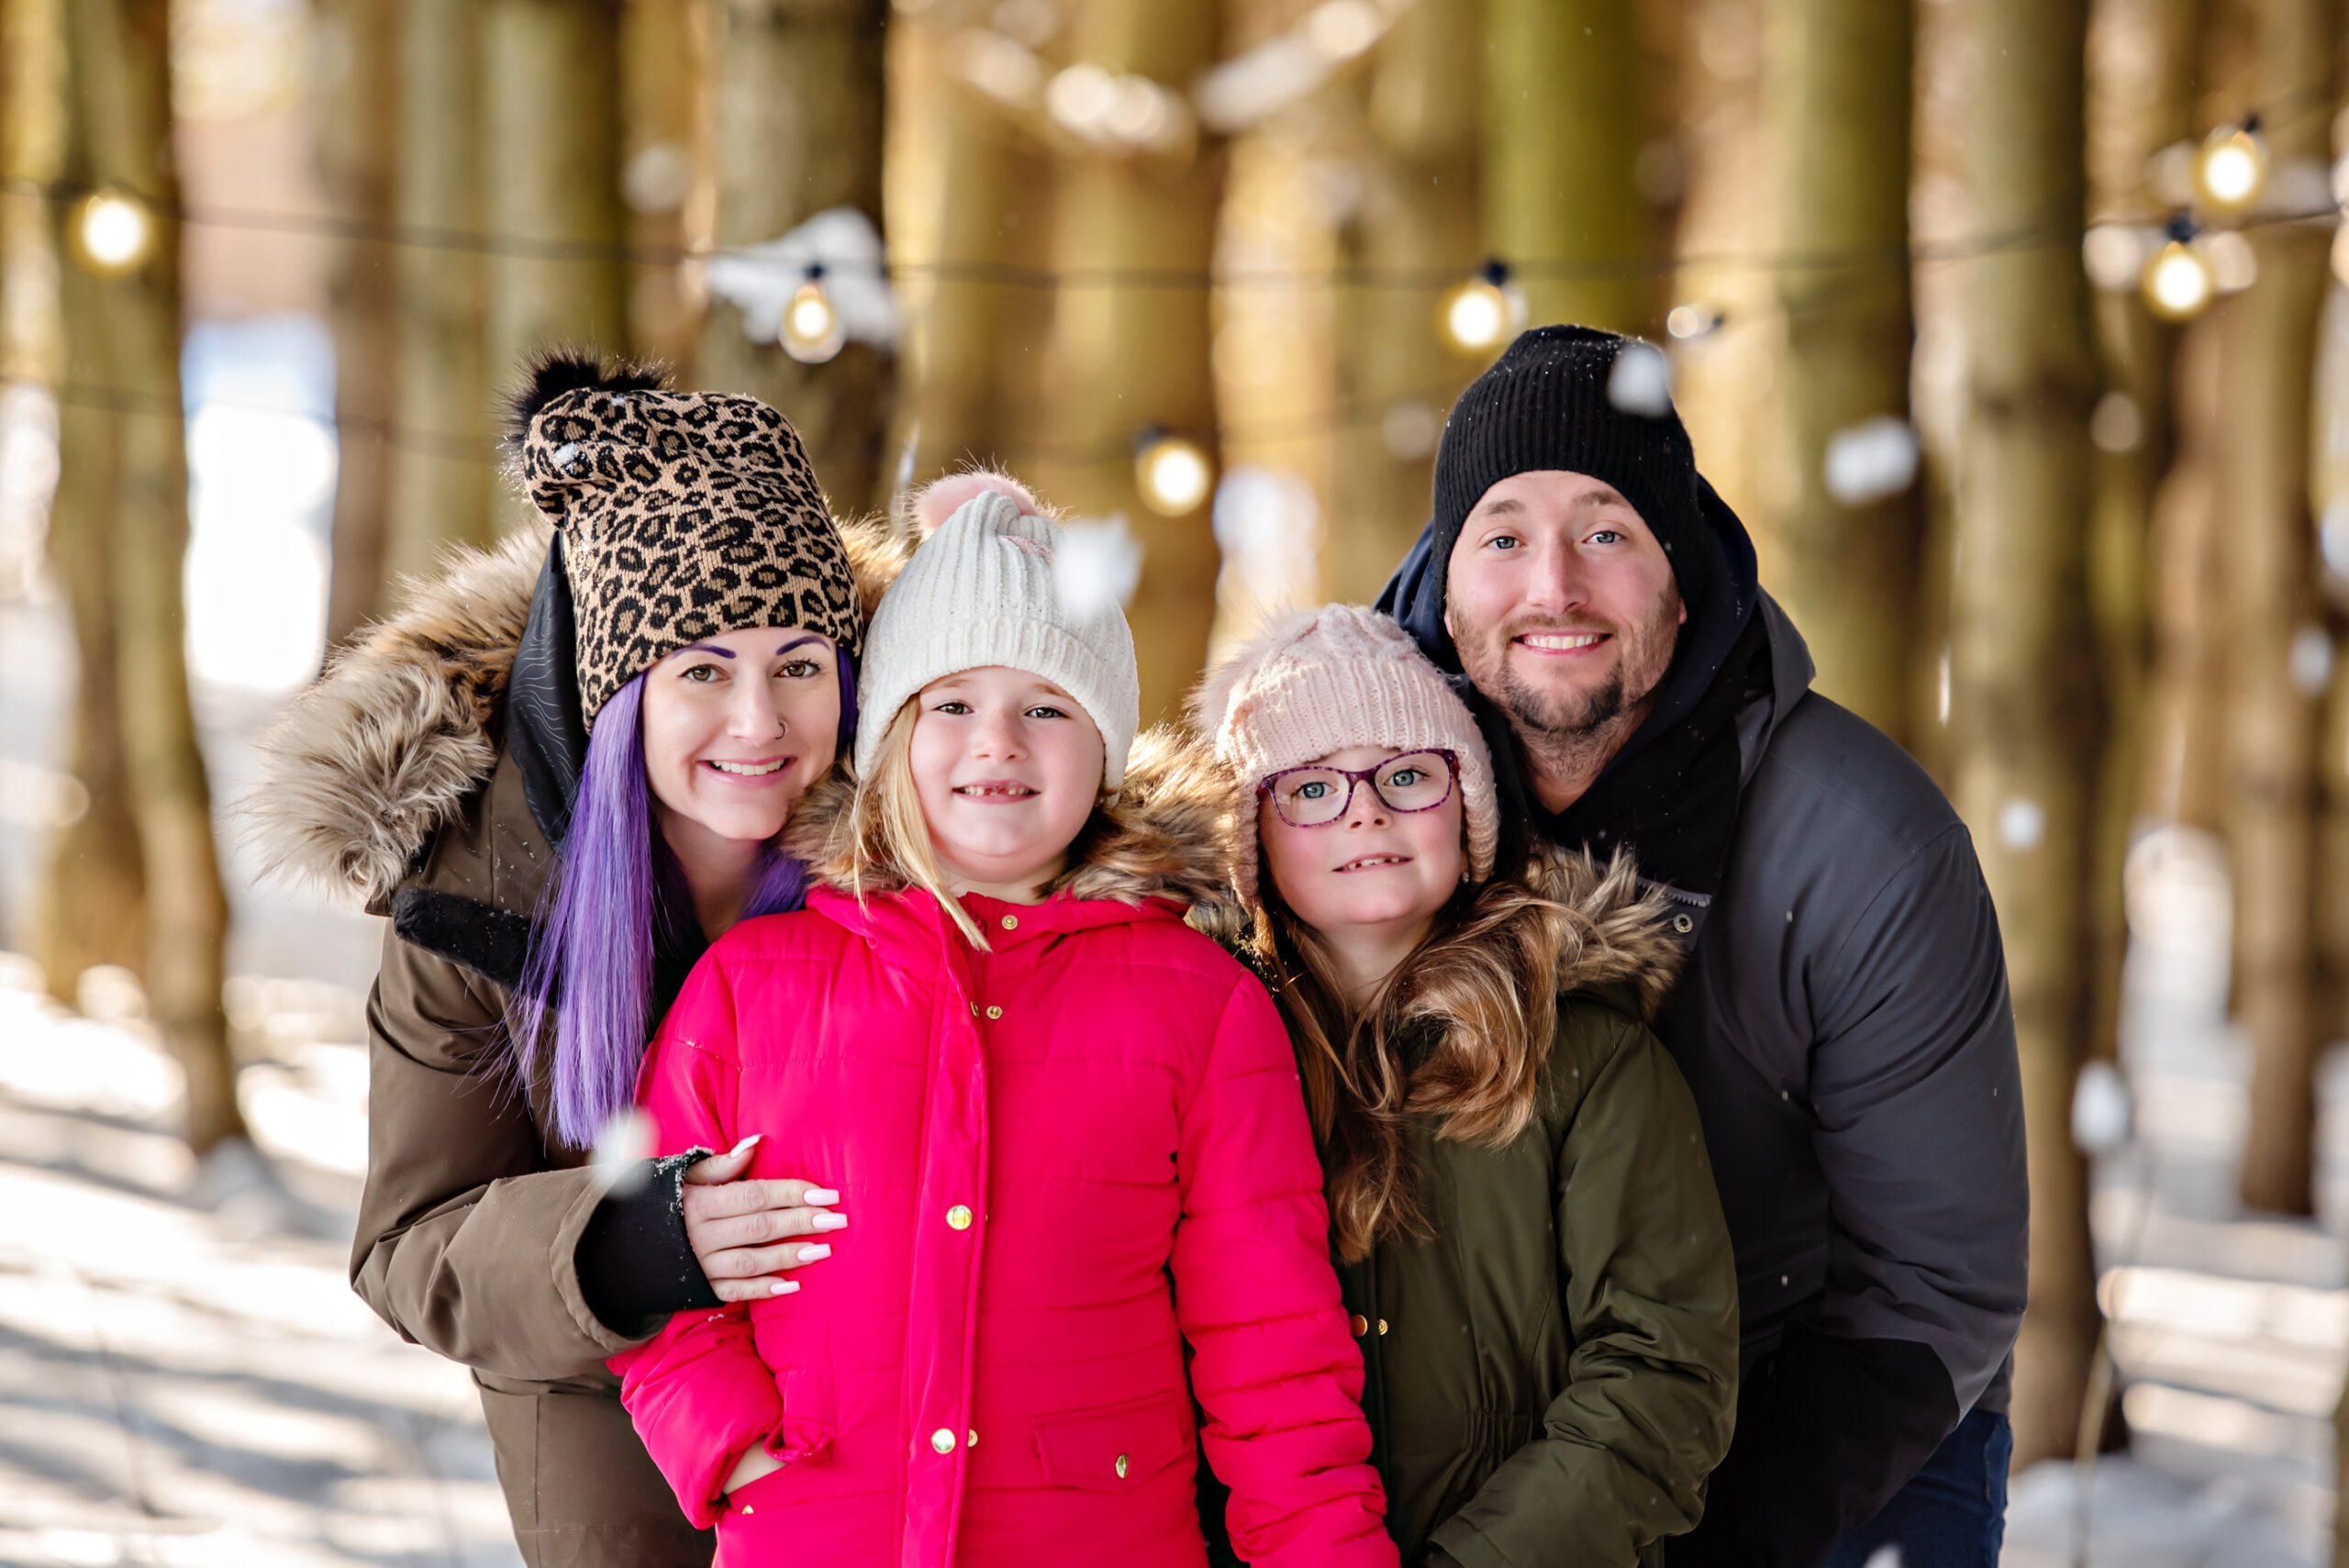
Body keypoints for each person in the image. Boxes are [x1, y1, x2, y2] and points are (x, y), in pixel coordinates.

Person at [608, 490, 1398, 1566]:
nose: (997, 742)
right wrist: (738, 1451)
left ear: (1106, 747)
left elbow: (1275, 1353)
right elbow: (649, 1272)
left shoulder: (1201, 1001)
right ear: (887, 734)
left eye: (1047, 706)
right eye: (950, 703)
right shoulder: (749, 986)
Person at [1378, 324, 2028, 1568]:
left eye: (1607, 530)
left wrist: (1699, 1534)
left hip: (1833, 1394)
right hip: (1495, 1411)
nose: (1552, 586)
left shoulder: (1863, 846)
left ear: (1682, 571)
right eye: (1502, 534)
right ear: (1443, 581)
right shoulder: (1359, 806)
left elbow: (1940, 1282)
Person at [250, 351, 902, 1567]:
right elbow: (407, 1247)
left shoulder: (908, 845)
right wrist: (631, 1242)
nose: (758, 725)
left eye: (799, 666)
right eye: (702, 670)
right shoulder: (477, 902)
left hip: (878, 1369)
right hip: (602, 1366)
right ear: (618, 696)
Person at [1189, 605, 1738, 1568]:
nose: (1365, 811)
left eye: (1407, 774)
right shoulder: (1199, 1062)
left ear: (1468, 809)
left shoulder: (1587, 1058)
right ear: (1252, 840)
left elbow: (1660, 1376)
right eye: (1311, 786)